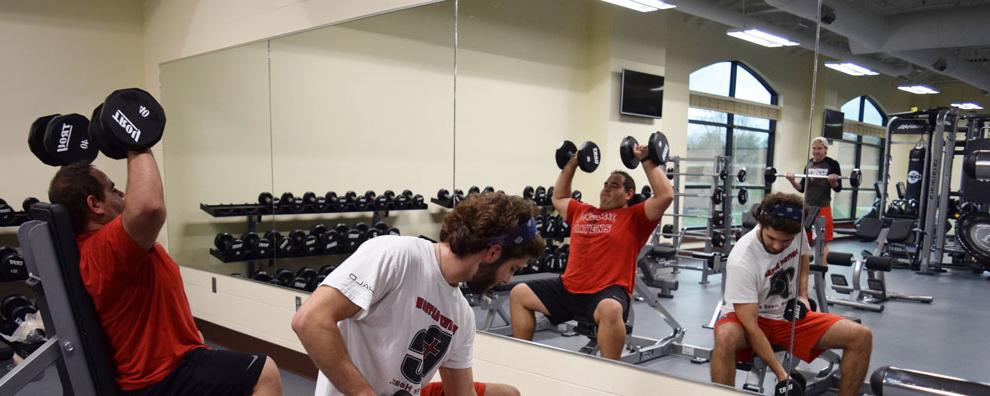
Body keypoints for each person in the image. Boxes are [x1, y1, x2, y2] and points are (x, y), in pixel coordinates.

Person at [48, 156, 282, 394]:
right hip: (162, 377)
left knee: (218, 365)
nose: (121, 193)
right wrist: (137, 145)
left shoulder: (93, 248)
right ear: (94, 204)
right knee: (265, 372)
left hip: (168, 365)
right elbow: (149, 207)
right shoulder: (107, 246)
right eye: (112, 189)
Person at [292, 192, 544, 396]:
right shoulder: (398, 256)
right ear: (492, 253)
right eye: (512, 268)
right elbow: (310, 320)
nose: (508, 279)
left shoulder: (462, 316)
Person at [508, 143, 673, 360]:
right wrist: (573, 163)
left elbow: (665, 196)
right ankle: (522, 358)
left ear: (629, 194)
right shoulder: (582, 211)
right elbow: (558, 197)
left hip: (606, 292)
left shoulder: (635, 218)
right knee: (519, 293)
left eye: (614, 186)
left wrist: (646, 160)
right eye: (606, 184)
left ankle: (609, 371)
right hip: (569, 288)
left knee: (611, 310)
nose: (606, 188)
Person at [709, 192, 872, 396]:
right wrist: (782, 375)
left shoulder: (796, 230)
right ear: (761, 224)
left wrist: (802, 295)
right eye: (771, 238)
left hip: (785, 316)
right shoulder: (743, 259)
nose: (777, 245)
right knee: (725, 336)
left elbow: (804, 257)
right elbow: (751, 327)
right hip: (750, 320)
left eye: (785, 241)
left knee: (861, 336)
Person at [786, 137, 842, 258]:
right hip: (807, 208)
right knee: (804, 240)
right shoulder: (809, 164)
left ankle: (821, 273)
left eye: (819, 148)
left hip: (823, 208)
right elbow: (801, 187)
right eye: (814, 148)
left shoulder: (832, 164)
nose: (816, 151)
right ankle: (804, 269)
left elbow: (838, 188)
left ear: (825, 150)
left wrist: (833, 181)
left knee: (823, 242)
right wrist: (791, 181)